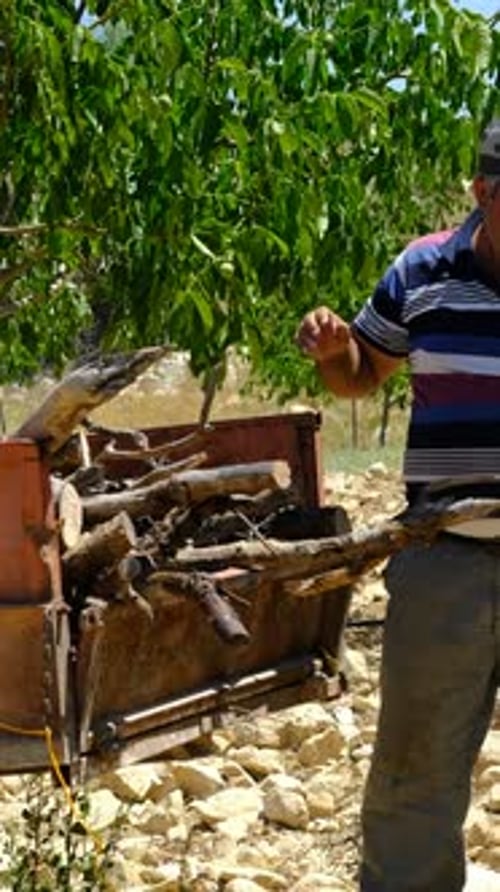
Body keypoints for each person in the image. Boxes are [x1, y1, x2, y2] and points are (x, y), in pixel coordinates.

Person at [295, 118, 500, 892]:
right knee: (416, 780)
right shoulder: (422, 271)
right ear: (484, 192)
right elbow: (362, 373)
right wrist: (333, 349)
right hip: (444, 563)